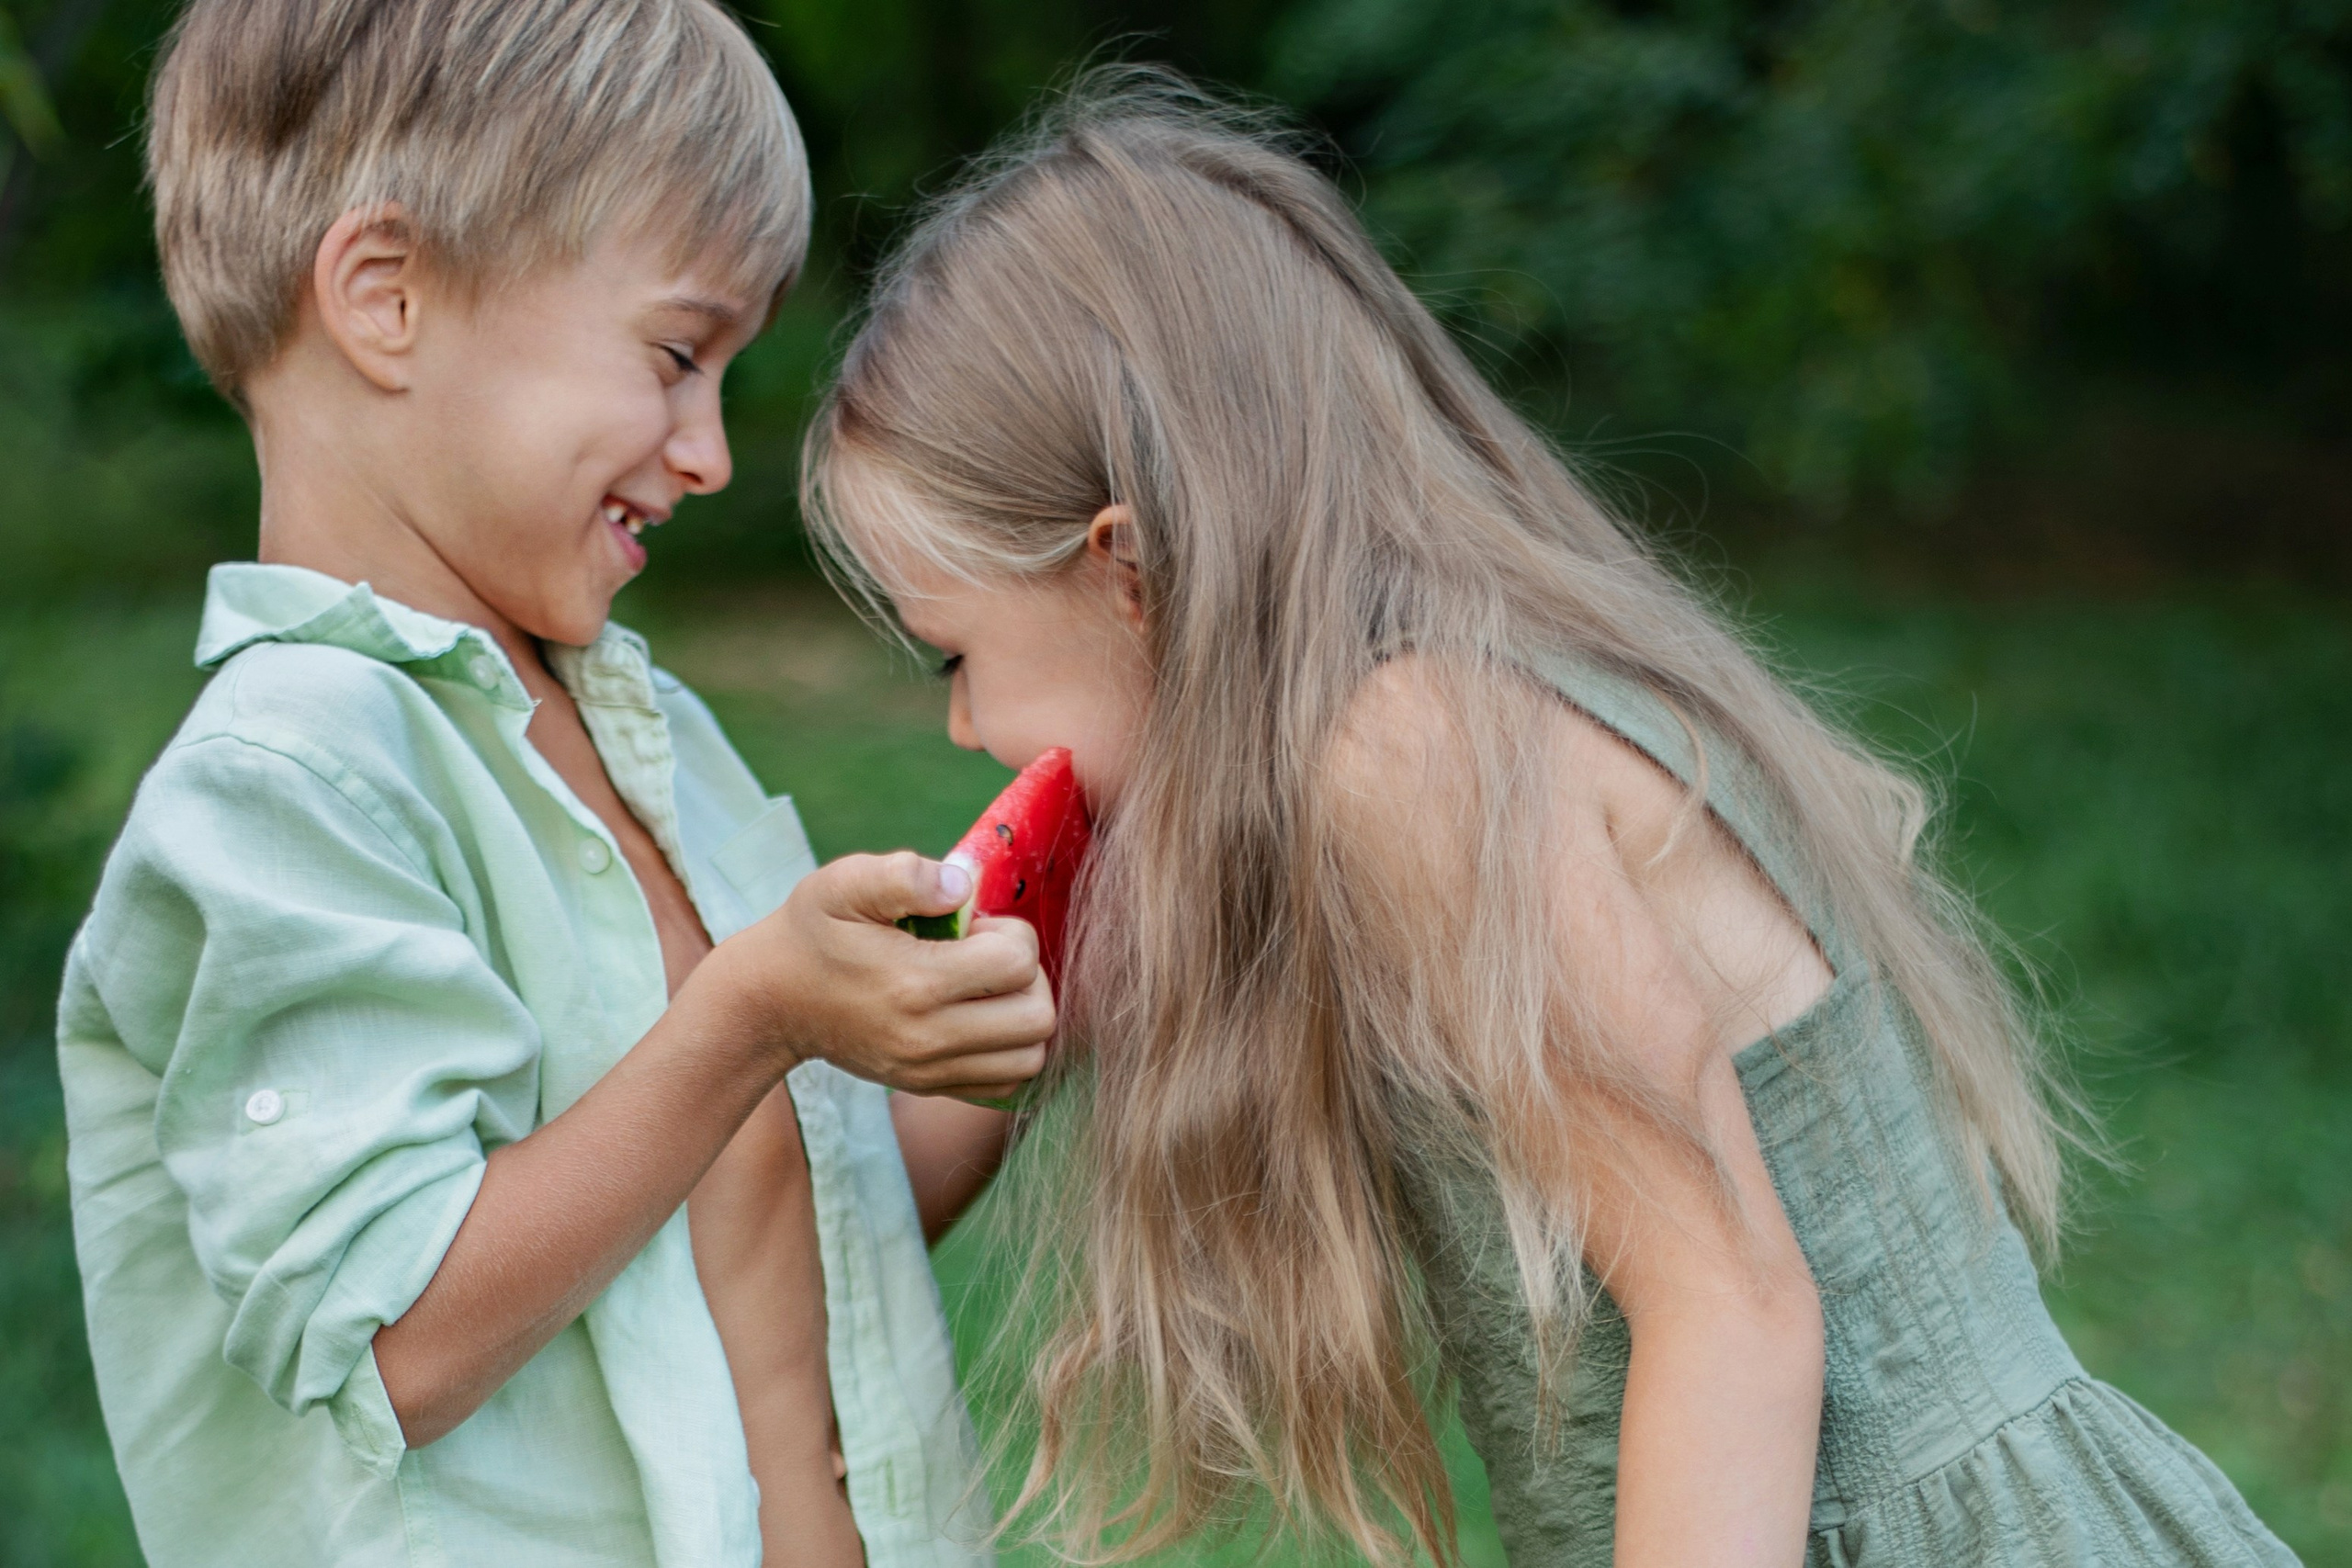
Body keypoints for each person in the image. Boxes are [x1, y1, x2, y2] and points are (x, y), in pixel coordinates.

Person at [799, 73, 2302, 1568]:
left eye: (955, 657)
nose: (959, 727)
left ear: (1126, 571)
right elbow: (887, 1180)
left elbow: (1733, 1312)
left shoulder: (1413, 756)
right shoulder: (1388, 728)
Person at [57, 4, 1044, 1565]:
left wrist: (1013, 1015)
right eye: (675, 354)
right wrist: (754, 1017)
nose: (710, 450)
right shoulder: (286, 778)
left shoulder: (649, 738)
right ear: (388, 302)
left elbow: (790, 1244)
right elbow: (402, 1340)